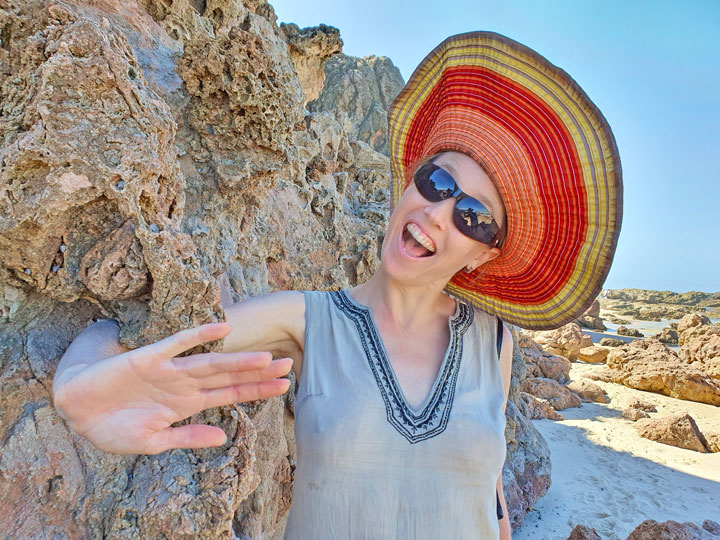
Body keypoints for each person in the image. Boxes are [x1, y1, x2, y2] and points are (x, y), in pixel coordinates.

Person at [51, 32, 622, 539]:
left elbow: (489, 487)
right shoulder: (306, 321)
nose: (441, 213)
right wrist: (78, 386)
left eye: (474, 216)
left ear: (481, 256)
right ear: (408, 185)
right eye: (437, 180)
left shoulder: (495, 343)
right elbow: (142, 339)